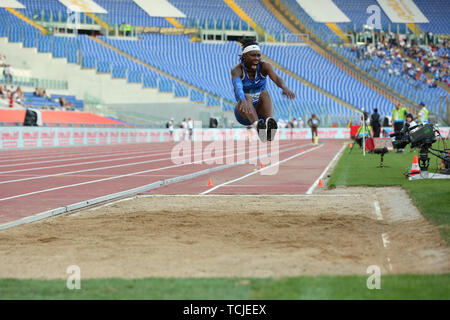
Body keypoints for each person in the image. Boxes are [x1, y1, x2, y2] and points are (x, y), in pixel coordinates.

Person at [231, 38, 295, 142]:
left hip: (260, 111)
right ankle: (258, 126)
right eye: (253, 55)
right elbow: (237, 87)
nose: (257, 58)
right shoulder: (237, 70)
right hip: (244, 112)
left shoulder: (264, 66)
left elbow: (277, 78)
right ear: (244, 56)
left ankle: (269, 123)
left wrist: (284, 87)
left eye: (258, 55)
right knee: (247, 96)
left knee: (265, 93)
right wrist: (242, 100)